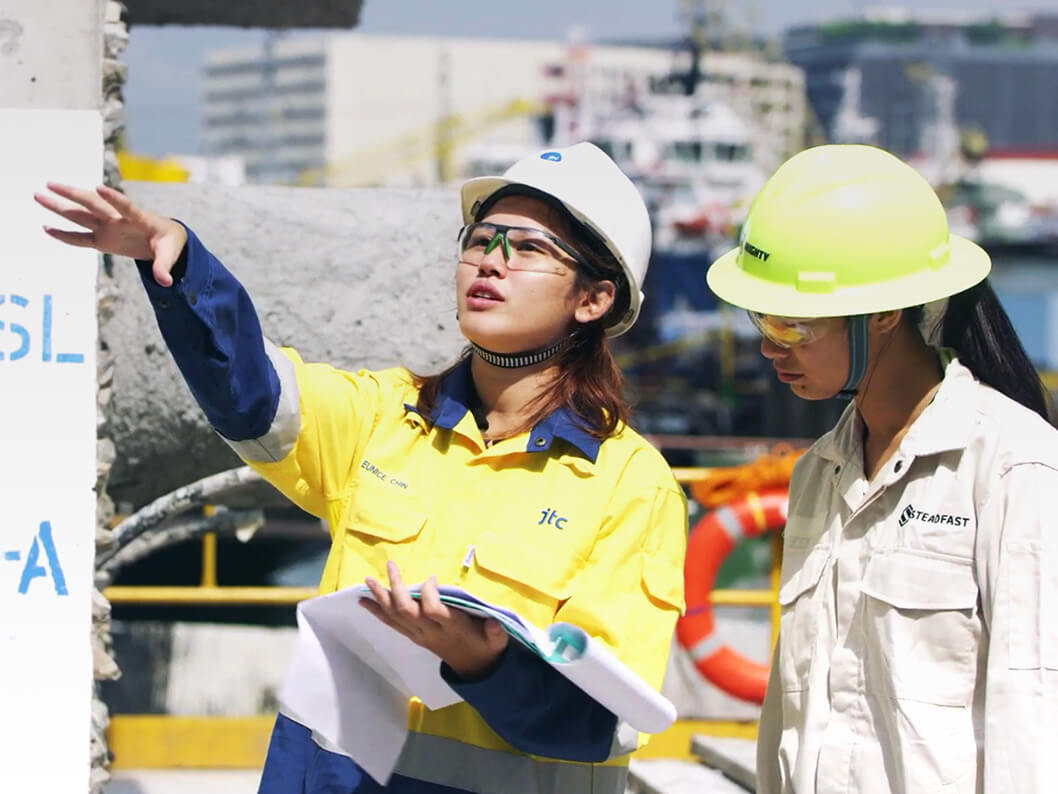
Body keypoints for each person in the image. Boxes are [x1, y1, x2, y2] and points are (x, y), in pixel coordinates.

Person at [37, 142, 687, 794]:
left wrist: (481, 662)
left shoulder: (631, 485)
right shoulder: (383, 416)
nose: (492, 260)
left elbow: (606, 720)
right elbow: (255, 393)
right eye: (482, 239)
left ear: (594, 299)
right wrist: (177, 265)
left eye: (529, 247)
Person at [705, 143, 1057, 793]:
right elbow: (792, 714)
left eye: (791, 324)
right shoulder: (821, 472)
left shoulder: (1014, 468)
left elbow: (1032, 711)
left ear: (885, 316)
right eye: (761, 318)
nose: (767, 346)